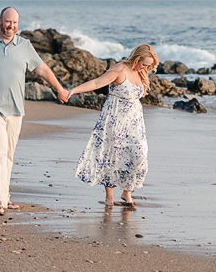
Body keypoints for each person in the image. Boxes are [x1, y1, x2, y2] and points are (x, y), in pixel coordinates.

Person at [0, 6, 69, 215]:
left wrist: (59, 88)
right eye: (8, 22)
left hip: (15, 109)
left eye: (15, 23)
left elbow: (42, 68)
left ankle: (5, 197)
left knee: (7, 155)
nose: (11, 26)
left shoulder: (24, 45)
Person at [66, 44, 159, 206]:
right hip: (114, 118)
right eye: (144, 64)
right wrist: (73, 91)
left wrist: (144, 69)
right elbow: (96, 83)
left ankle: (126, 192)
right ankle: (109, 197)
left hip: (135, 121)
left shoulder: (142, 72)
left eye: (148, 65)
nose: (146, 68)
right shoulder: (120, 70)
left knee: (139, 156)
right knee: (112, 157)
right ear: (136, 59)